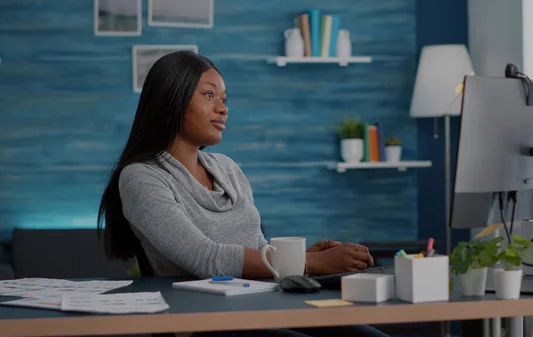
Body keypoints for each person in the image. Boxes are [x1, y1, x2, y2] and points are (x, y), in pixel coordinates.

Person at [97, 51, 389, 337]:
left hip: (264, 305)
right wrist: (310, 263)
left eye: (224, 100)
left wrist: (299, 257)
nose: (223, 109)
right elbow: (205, 258)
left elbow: (256, 246)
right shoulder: (141, 177)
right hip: (203, 323)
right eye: (209, 96)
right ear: (171, 99)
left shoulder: (228, 168)